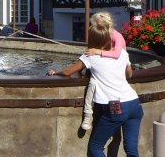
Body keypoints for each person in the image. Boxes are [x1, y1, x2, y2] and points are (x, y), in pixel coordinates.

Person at [49, 13, 142, 157]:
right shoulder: (122, 53)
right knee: (131, 149)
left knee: (95, 147)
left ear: (91, 40)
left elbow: (68, 72)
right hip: (134, 103)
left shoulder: (90, 55)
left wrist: (54, 73)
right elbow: (129, 74)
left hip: (115, 106)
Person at [81, 12, 128, 130]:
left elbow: (117, 54)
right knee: (93, 82)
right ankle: (90, 114)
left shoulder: (117, 36)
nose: (92, 28)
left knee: (94, 83)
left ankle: (91, 115)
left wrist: (98, 52)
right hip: (108, 72)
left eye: (94, 25)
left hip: (115, 73)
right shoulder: (105, 36)